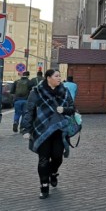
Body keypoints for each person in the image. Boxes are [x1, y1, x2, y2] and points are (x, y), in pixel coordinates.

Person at [20, 69, 76, 199]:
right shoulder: (36, 92)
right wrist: (26, 129)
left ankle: (53, 172)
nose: (59, 78)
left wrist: (64, 109)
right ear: (48, 78)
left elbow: (73, 109)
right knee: (43, 159)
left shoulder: (64, 91)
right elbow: (29, 111)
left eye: (60, 76)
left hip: (60, 130)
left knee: (57, 157)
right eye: (56, 76)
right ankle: (44, 186)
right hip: (42, 130)